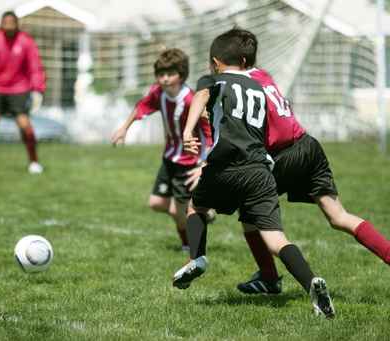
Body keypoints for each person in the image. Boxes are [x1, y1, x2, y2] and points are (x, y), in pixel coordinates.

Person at [212, 28, 390, 295]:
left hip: (284, 155)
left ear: (218, 64)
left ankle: (270, 279)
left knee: (249, 212)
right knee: (338, 215)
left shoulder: (234, 89)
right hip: (308, 145)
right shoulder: (263, 74)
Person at [172, 29, 335, 318]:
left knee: (196, 207)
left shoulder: (214, 80)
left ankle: (197, 259)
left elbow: (201, 96)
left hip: (226, 167)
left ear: (215, 62)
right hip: (260, 170)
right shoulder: (259, 88)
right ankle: (312, 282)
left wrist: (187, 131)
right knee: (275, 239)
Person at [111, 48, 212, 251]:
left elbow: (209, 130)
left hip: (189, 162)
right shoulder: (158, 93)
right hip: (169, 157)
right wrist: (124, 129)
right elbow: (141, 107)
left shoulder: (192, 100)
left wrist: (205, 160)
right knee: (156, 203)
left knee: (177, 210)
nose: (165, 79)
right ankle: (201, 211)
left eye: (170, 74)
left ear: (181, 75)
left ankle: (187, 245)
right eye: (161, 74)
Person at [0, 11, 46, 174]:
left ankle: (33, 162)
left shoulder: (26, 42)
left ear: (16, 24)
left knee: (25, 126)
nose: (9, 25)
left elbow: (35, 67)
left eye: (12, 22)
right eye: (6, 22)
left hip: (19, 90)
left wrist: (38, 90)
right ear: (1, 23)